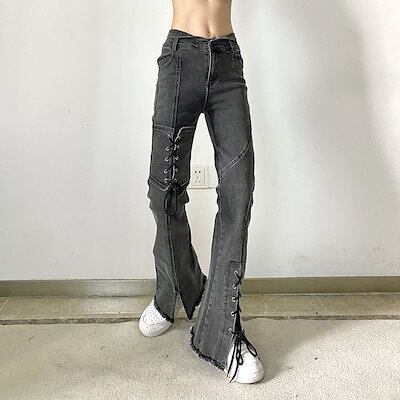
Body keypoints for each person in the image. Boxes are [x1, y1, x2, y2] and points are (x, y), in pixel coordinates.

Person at [139, 0, 264, 384]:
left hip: (227, 60)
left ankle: (222, 331)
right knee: (164, 192)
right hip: (180, 58)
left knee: (239, 190)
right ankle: (172, 292)